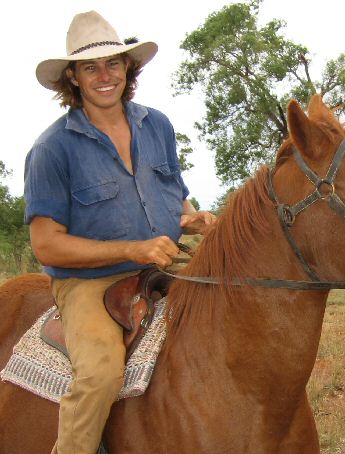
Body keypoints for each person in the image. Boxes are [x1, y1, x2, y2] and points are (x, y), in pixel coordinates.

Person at [25, 11, 216, 454]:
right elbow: (46, 243)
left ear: (129, 67)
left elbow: (173, 192)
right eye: (90, 67)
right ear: (72, 77)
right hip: (91, 284)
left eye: (113, 63)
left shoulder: (158, 125)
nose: (104, 75)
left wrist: (191, 217)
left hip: (167, 264)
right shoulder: (52, 148)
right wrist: (134, 247)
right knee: (100, 375)